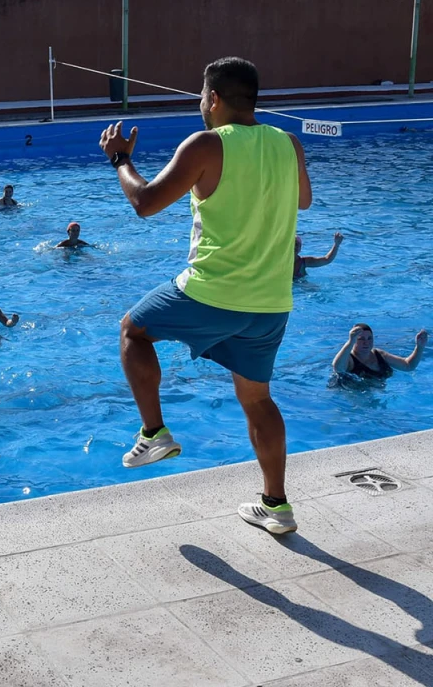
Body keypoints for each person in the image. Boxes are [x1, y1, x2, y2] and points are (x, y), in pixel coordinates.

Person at [104, 57, 311, 536]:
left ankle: (154, 434)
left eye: (202, 95)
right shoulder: (288, 143)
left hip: (212, 291)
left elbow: (145, 203)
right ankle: (276, 507)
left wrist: (120, 159)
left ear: (213, 98)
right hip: (271, 304)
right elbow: (303, 200)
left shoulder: (206, 143)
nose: (201, 104)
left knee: (133, 330)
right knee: (258, 399)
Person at [332, 324, 427, 380]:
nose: (366, 342)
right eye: (361, 339)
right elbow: (338, 368)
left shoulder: (379, 355)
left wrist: (420, 347)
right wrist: (350, 342)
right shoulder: (349, 359)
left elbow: (408, 366)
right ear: (354, 340)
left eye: (369, 338)